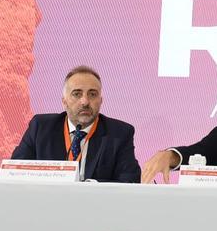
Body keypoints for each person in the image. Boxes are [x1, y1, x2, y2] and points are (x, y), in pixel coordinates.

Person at [10, 65, 140, 183]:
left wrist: (88, 188)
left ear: (101, 101)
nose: (85, 101)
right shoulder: (40, 128)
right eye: (77, 94)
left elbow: (130, 182)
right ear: (64, 101)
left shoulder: (119, 134)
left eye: (92, 94)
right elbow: (13, 173)